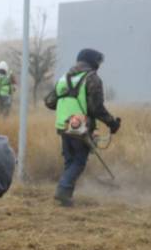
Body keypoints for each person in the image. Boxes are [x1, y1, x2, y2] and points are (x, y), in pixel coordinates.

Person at [44, 48, 122, 207]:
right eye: (98, 61)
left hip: (63, 125)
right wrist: (112, 123)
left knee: (70, 160)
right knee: (79, 161)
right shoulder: (92, 78)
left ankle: (66, 197)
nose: (99, 65)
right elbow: (96, 108)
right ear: (92, 61)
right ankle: (62, 190)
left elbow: (49, 102)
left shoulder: (63, 79)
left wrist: (67, 104)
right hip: (80, 127)